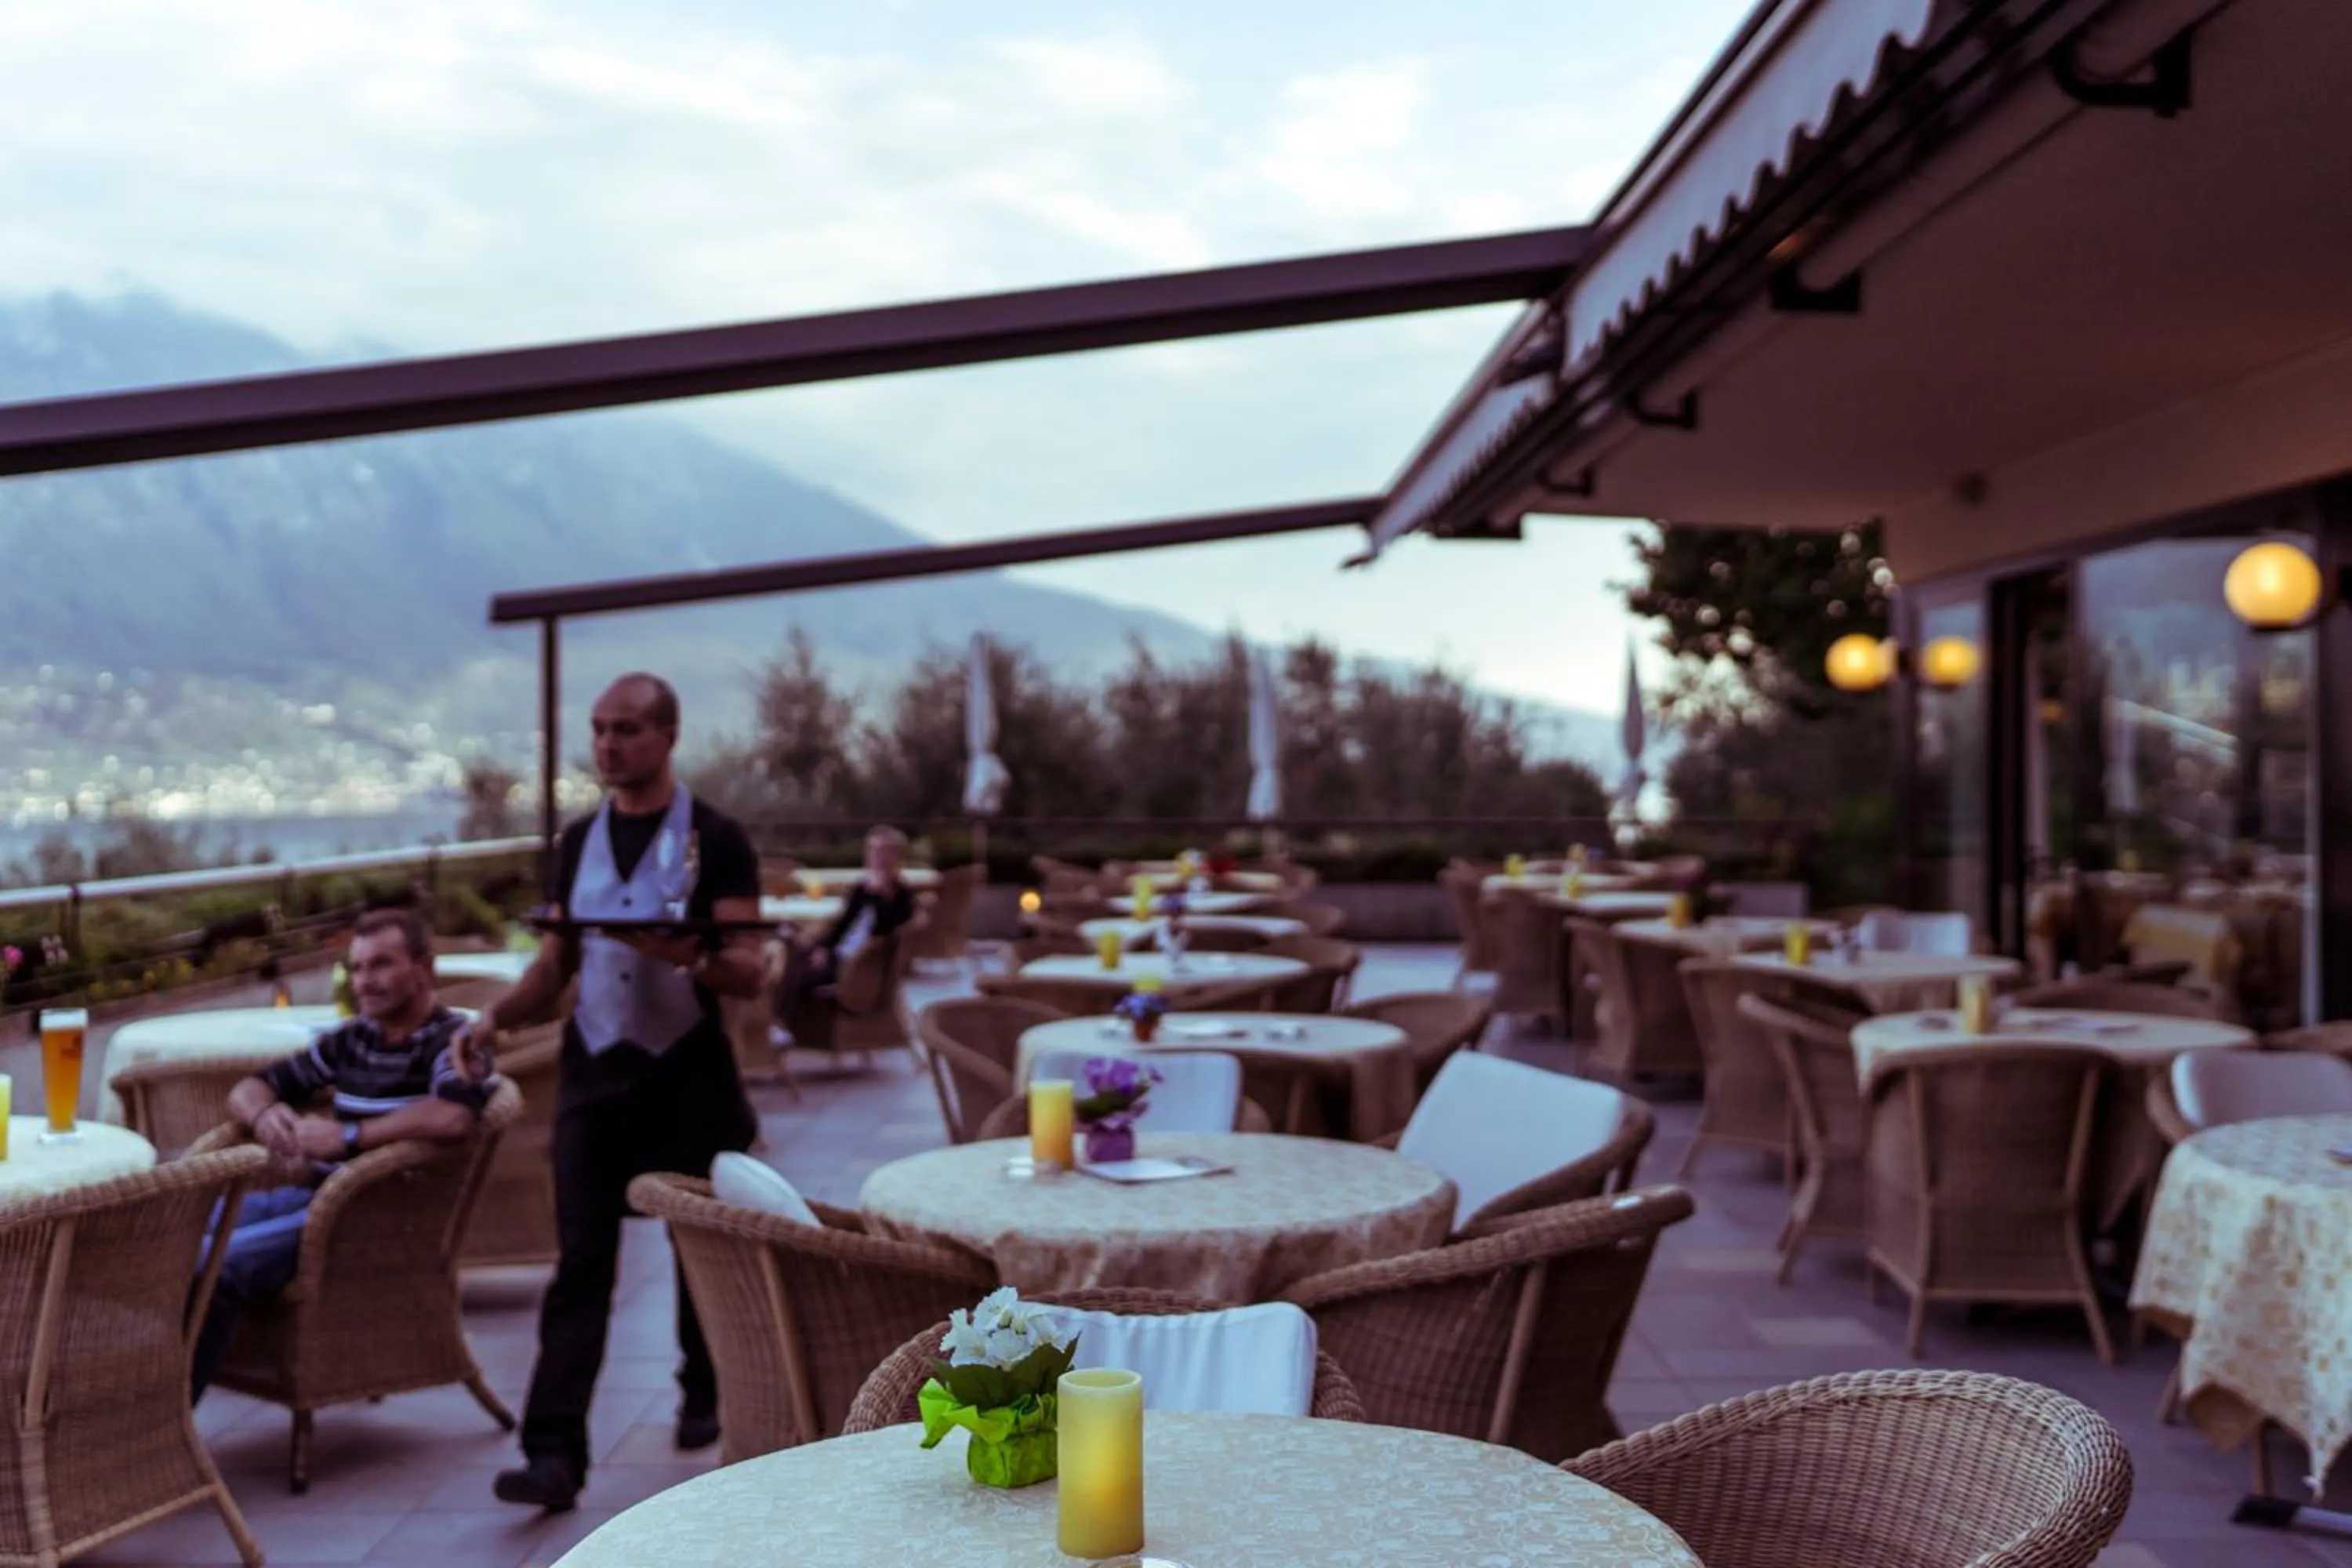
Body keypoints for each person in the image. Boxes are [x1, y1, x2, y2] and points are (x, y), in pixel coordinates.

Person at [472, 672, 766, 1514]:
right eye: (600, 729)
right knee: (580, 1269)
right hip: (593, 1078)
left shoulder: (719, 837)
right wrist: (493, 1017)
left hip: (689, 1075)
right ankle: (553, 1452)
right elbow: (554, 964)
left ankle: (703, 1387)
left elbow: (748, 966)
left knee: (698, 1250)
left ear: (669, 736)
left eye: (628, 729)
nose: (609, 744)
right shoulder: (575, 841)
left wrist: (684, 953)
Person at [195, 908, 493, 1398]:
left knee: (211, 1265)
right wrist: (265, 1116)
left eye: (381, 965)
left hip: (373, 1218)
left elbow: (454, 1116)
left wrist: (348, 1137)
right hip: (316, 1194)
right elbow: (250, 1088)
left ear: (426, 968)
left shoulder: (454, 1040)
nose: (364, 982)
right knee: (181, 1233)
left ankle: (173, 1419)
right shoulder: (354, 1039)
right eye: (356, 968)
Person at [779, 824, 924, 1024]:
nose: (877, 858)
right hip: (838, 953)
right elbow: (841, 925)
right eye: (872, 851)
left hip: (858, 964)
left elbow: (887, 932)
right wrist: (823, 948)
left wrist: (880, 895)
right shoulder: (861, 889)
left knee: (799, 974)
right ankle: (781, 1023)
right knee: (789, 955)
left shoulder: (902, 896)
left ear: (898, 858)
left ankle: (781, 1023)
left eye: (884, 852)